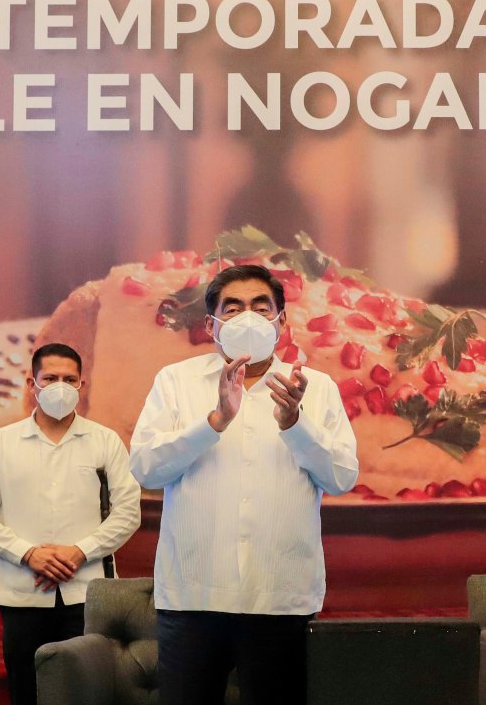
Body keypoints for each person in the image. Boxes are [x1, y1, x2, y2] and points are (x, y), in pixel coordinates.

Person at [130, 264, 360, 705]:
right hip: (193, 596)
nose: (248, 317)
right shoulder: (175, 382)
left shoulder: (315, 387)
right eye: (232, 309)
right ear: (211, 325)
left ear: (281, 320)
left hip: (281, 598)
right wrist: (214, 422)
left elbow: (342, 478)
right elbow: (145, 470)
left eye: (261, 307)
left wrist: (295, 424)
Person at [0, 342, 142, 705]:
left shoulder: (105, 440)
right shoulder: (1, 443)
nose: (60, 387)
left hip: (88, 591)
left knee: (86, 691)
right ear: (32, 384)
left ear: (81, 384)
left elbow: (128, 513)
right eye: (50, 378)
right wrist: (30, 554)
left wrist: (79, 552)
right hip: (21, 588)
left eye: (69, 379)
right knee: (26, 691)